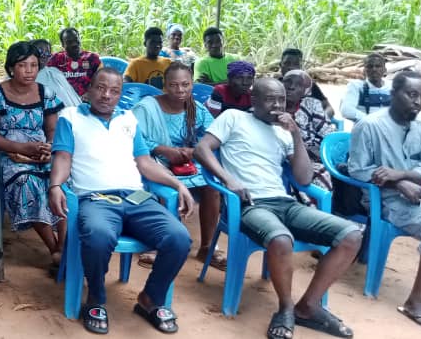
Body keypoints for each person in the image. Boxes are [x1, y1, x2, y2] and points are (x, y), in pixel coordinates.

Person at [195, 78, 362, 339]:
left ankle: (308, 306)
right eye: (270, 99)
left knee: (351, 235)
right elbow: (202, 149)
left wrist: (295, 134)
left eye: (281, 100)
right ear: (254, 100)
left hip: (285, 203)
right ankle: (285, 308)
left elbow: (304, 179)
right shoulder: (234, 118)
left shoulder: (284, 132)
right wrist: (228, 179)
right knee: (280, 239)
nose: (277, 105)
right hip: (250, 205)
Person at [48, 67, 195, 335]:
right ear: (89, 89)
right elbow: (63, 158)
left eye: (114, 91)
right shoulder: (70, 117)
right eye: (101, 88)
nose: (106, 95)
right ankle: (95, 297)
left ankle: (151, 298)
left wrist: (177, 184)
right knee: (98, 235)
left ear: (120, 95)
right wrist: (56, 184)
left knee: (179, 238)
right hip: (96, 198)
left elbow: (145, 162)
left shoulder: (129, 120)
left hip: (136, 197)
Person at [347, 71, 421, 332]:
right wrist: (396, 183)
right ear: (392, 94)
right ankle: (415, 301)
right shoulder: (370, 126)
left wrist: (401, 174)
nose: (418, 101)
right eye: (412, 94)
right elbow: (356, 169)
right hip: (388, 201)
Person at [0, 41, 65, 275]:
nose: (29, 71)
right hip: (8, 154)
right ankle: (54, 248)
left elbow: (53, 129)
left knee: (64, 183)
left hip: (41, 152)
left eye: (34, 65)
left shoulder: (46, 93)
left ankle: (63, 246)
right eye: (23, 65)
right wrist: (21, 148)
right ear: (11, 67)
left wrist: (49, 147)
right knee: (27, 183)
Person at [133, 62, 225, 271]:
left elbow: (211, 137)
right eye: (174, 85)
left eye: (185, 84)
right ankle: (164, 244)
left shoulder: (196, 109)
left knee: (212, 186)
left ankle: (207, 247)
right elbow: (132, 137)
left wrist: (192, 152)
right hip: (152, 161)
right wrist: (164, 150)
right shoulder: (147, 108)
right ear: (164, 85)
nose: (180, 90)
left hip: (187, 164)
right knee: (165, 190)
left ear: (192, 84)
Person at [282, 70, 334, 196]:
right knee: (322, 173)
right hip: (289, 156)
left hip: (315, 152)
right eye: (288, 82)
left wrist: (321, 151)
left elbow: (327, 132)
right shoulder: (274, 106)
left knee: (347, 167)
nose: (291, 87)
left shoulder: (311, 103)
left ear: (305, 90)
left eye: (298, 84)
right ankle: (318, 210)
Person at [279, 48, 334, 119]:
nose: (291, 67)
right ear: (280, 65)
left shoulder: (308, 85)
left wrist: (320, 120)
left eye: (295, 64)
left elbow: (329, 108)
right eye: (287, 63)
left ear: (300, 67)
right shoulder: (274, 85)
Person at [47, 27, 101, 97]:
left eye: (76, 40)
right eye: (69, 42)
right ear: (63, 45)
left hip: (86, 101)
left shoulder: (92, 58)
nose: (74, 44)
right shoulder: (56, 59)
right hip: (63, 101)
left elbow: (103, 81)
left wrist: (90, 93)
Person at [340, 53, 391, 122]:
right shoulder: (356, 86)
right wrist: (371, 120)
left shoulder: (392, 87)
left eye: (378, 66)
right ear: (364, 71)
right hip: (366, 129)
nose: (374, 69)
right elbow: (346, 110)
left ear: (385, 70)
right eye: (370, 66)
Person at [31, 38, 81, 108]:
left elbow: (71, 94)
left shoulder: (55, 71)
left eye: (47, 52)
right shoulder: (30, 79)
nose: (44, 55)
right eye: (40, 51)